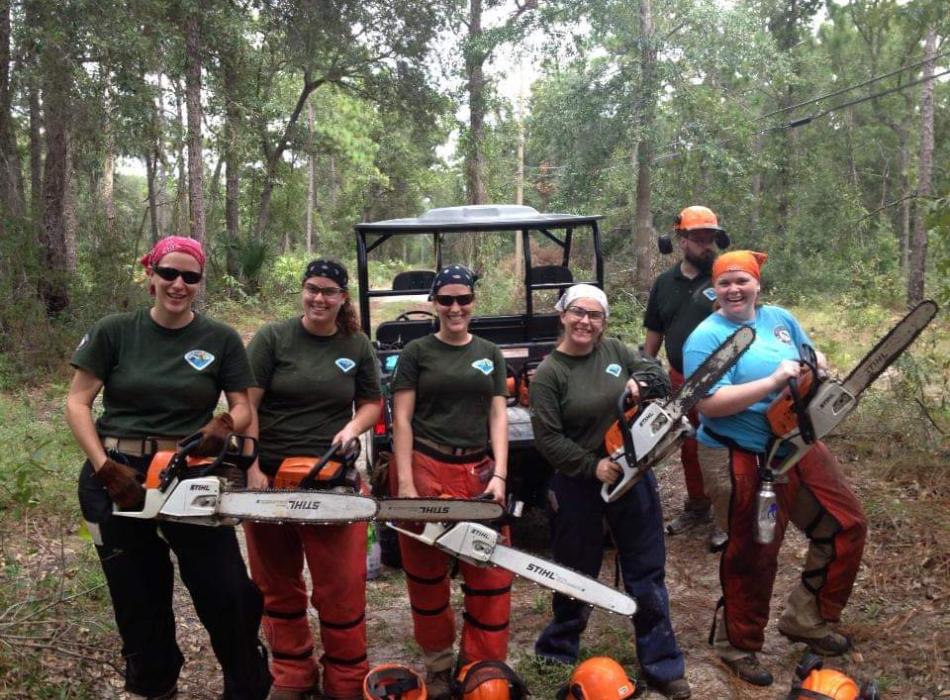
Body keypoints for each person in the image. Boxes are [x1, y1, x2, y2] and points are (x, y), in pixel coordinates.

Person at [66, 236, 271, 700]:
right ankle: (154, 685)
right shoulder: (115, 330)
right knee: (137, 594)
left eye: (190, 277)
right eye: (169, 274)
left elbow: (242, 405)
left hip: (190, 469)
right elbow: (78, 402)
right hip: (118, 472)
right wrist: (104, 468)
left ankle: (247, 683)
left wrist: (222, 425)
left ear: (199, 282)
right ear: (151, 275)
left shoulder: (219, 338)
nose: (178, 285)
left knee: (226, 588)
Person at [682, 251, 867, 687]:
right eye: (725, 283)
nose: (734, 289)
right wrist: (770, 382)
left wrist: (815, 363)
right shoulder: (705, 338)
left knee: (846, 524)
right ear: (715, 289)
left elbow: (806, 349)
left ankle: (808, 618)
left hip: (798, 441)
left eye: (741, 281)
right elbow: (705, 403)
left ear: (757, 284)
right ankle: (737, 644)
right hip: (738, 451)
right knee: (754, 549)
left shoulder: (779, 318)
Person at [530, 284, 691, 700]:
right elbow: (548, 439)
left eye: (595, 315)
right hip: (579, 480)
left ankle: (661, 663)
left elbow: (654, 371)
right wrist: (591, 466)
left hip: (632, 471)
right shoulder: (551, 373)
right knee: (574, 572)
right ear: (563, 316)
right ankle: (558, 653)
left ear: (604, 322)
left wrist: (640, 380)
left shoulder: (616, 351)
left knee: (646, 569)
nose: (586, 322)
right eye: (578, 313)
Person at [243, 259, 382, 700]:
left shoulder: (356, 344)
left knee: (341, 585)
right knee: (276, 582)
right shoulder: (273, 338)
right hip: (271, 474)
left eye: (329, 291)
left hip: (331, 478)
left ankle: (345, 676)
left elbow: (372, 403)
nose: (319, 298)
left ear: (343, 298)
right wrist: (252, 467)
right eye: (312, 289)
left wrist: (352, 428)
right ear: (303, 291)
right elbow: (247, 405)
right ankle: (291, 673)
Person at [389, 264, 511, 700]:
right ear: (434, 304)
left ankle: (482, 663)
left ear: (474, 301)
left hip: (476, 469)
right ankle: (439, 663)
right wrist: (405, 482)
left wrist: (499, 472)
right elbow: (401, 418)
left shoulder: (489, 352)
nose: (455, 307)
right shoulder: (417, 352)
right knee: (426, 573)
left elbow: (498, 415)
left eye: (463, 299)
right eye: (447, 300)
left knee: (492, 569)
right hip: (426, 465)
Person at [643, 205, 727, 550]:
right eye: (699, 238)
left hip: (724, 378)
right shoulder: (664, 284)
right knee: (690, 445)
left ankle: (726, 517)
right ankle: (697, 507)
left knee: (720, 446)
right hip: (680, 378)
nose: (706, 245)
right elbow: (654, 330)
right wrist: (646, 369)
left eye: (711, 238)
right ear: (681, 240)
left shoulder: (725, 278)